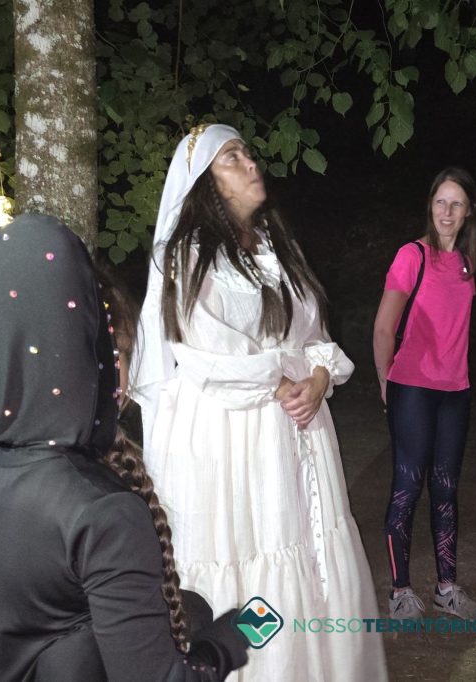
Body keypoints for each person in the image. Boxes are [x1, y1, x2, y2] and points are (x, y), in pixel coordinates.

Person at [0, 214, 249, 681]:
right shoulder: (102, 510)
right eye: (121, 352)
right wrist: (226, 643)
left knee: (192, 607)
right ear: (91, 361)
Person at [130, 123, 386, 681]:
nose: (250, 163)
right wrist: (278, 380)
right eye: (232, 157)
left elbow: (312, 333)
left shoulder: (276, 247)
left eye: (247, 152)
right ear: (204, 182)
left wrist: (319, 377)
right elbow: (199, 352)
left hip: (297, 427)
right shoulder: (185, 256)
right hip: (233, 437)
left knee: (307, 548)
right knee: (251, 550)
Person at [372, 166, 476, 622]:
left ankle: (446, 588)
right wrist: (387, 384)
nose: (447, 211)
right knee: (407, 487)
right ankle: (400, 591)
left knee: (446, 489)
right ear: (430, 206)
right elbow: (384, 328)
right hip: (413, 388)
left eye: (457, 204)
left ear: (468, 211)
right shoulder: (412, 256)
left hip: (455, 391)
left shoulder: (467, 263)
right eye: (441, 202)